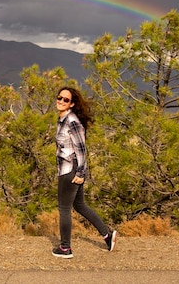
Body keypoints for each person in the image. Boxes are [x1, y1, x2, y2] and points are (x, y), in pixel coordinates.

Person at [52, 86, 117, 259]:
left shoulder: (72, 121)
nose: (60, 101)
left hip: (70, 170)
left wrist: (80, 173)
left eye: (65, 99)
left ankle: (65, 248)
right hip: (69, 168)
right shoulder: (62, 119)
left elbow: (81, 150)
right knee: (80, 206)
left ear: (72, 104)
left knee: (64, 209)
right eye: (59, 97)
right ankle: (107, 235)